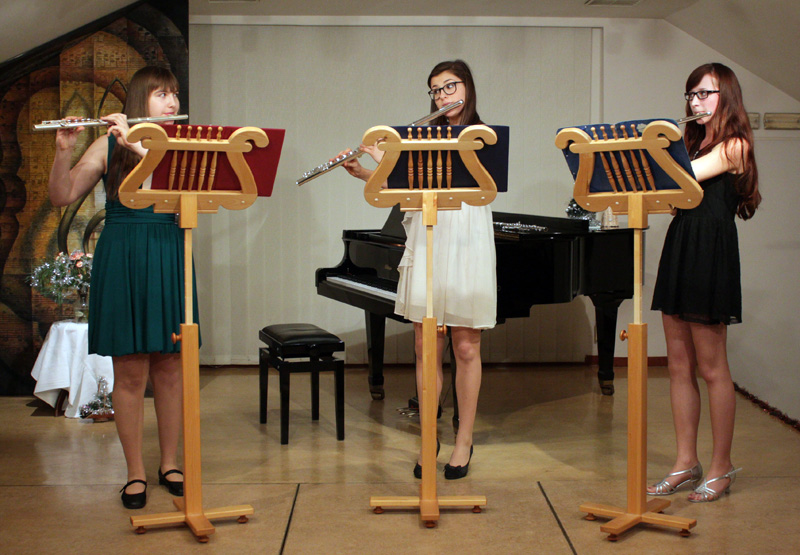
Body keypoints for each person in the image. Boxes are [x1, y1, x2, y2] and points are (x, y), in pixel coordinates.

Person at [340, 60, 496, 479]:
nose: (443, 96)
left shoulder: (483, 138)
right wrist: (370, 171)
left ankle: (463, 440)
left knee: (466, 347)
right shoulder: (420, 140)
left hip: (466, 239)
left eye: (450, 86)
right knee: (427, 345)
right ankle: (429, 438)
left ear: (467, 87)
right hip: (429, 237)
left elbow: (479, 190)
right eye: (436, 90)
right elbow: (408, 192)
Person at [48, 66, 194, 509]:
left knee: (170, 367)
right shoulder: (107, 144)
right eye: (161, 94)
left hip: (168, 250)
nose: (172, 102)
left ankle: (169, 463)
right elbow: (61, 194)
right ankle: (134, 472)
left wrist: (137, 143)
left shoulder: (181, 145)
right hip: (124, 253)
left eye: (174, 94)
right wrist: (63, 152)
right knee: (129, 370)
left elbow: (181, 192)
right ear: (139, 99)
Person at [648, 63, 761, 502]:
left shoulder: (735, 145)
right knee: (678, 366)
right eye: (691, 94)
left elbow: (682, 179)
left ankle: (721, 466)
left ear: (726, 96)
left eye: (705, 93)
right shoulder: (692, 144)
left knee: (713, 369)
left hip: (710, 251)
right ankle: (685, 463)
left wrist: (654, 147)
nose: (695, 102)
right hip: (682, 245)